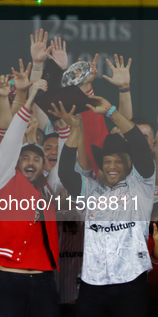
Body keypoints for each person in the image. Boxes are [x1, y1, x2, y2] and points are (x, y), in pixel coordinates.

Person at [56, 96, 156, 316]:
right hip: (93, 283)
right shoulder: (90, 190)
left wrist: (111, 111)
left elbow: (139, 144)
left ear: (130, 163)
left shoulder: (141, 184)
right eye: (107, 161)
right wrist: (74, 130)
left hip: (131, 281)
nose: (112, 166)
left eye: (119, 160)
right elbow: (65, 173)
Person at [0, 79, 60, 317]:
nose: (31, 162)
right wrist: (29, 101)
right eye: (25, 158)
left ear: (44, 166)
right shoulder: (4, 181)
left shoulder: (49, 188)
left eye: (37, 159)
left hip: (45, 280)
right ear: (16, 164)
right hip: (9, 280)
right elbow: (10, 143)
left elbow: (65, 153)